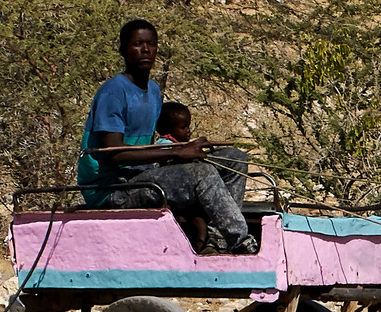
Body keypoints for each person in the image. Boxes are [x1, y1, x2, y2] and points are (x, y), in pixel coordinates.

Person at [78, 20, 257, 254]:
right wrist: (176, 151)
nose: (145, 50)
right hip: (112, 188)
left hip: (139, 176)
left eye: (150, 44)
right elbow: (116, 153)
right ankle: (240, 241)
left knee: (234, 158)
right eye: (137, 44)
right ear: (123, 50)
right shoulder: (113, 92)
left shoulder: (153, 91)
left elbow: (148, 147)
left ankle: (216, 240)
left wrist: (185, 150)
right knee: (201, 173)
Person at [154, 102, 210, 251]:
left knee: (199, 217)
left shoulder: (178, 145)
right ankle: (198, 247)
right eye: (183, 128)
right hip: (172, 192)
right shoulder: (164, 145)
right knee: (197, 220)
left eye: (188, 127)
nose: (188, 131)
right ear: (168, 130)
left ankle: (200, 246)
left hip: (181, 191)